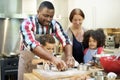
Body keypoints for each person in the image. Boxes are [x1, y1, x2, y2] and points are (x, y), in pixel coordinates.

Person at [18, 1, 75, 80]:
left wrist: (69, 56)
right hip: (28, 63)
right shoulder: (27, 23)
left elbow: (66, 40)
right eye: (46, 15)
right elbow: (33, 45)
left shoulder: (55, 24)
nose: (48, 19)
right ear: (38, 12)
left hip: (46, 64)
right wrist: (53, 58)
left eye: (51, 16)